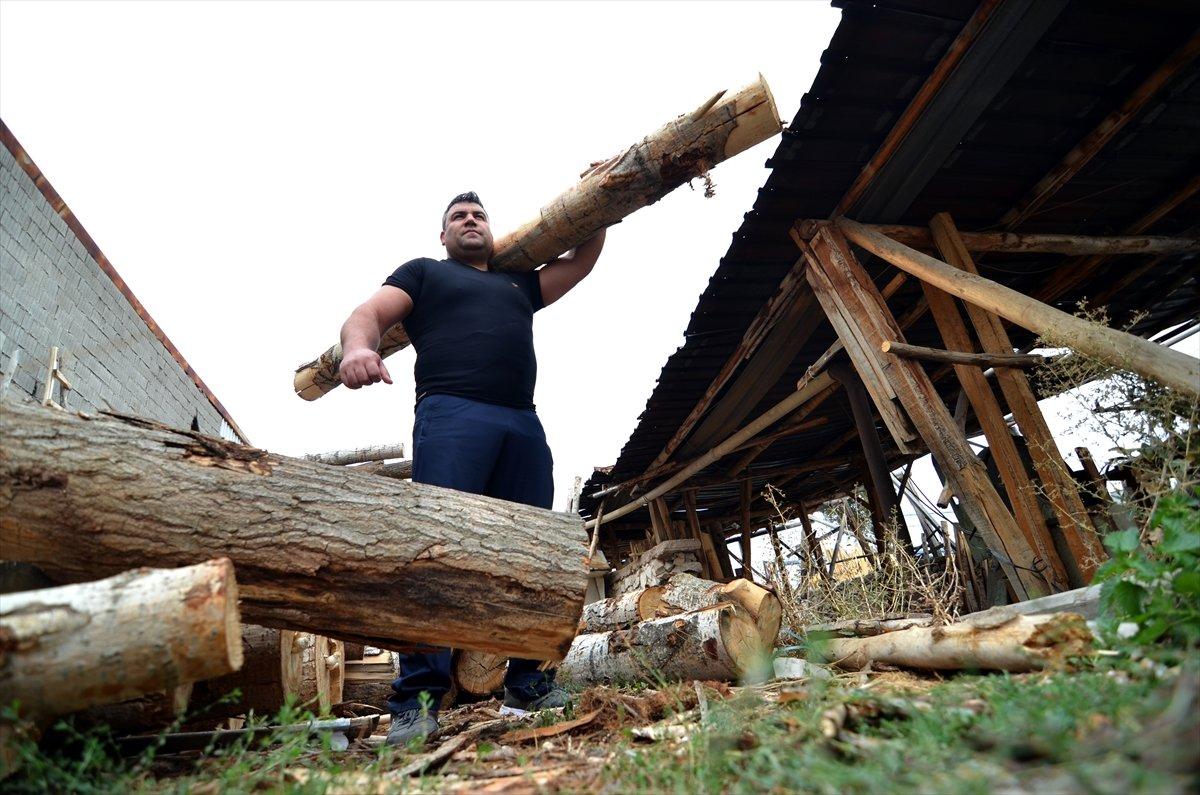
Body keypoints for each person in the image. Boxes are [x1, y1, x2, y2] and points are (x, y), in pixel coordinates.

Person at [337, 191, 604, 746]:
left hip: (521, 423)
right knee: (437, 547)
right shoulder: (425, 273)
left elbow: (577, 264)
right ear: (443, 235)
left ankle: (529, 681)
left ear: (491, 228)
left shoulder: (517, 283)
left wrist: (604, 208)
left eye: (479, 215)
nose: (470, 221)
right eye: (458, 217)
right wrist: (358, 348)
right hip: (452, 413)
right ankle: (416, 701)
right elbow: (369, 313)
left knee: (533, 547)